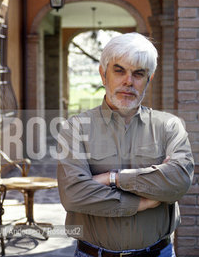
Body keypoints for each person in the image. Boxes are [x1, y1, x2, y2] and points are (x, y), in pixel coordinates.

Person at [57, 32, 194, 257]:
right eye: (119, 70)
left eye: (138, 74)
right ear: (103, 74)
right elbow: (73, 195)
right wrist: (143, 202)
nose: (128, 81)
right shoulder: (75, 128)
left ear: (148, 79)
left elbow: (179, 181)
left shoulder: (169, 126)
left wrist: (113, 178)